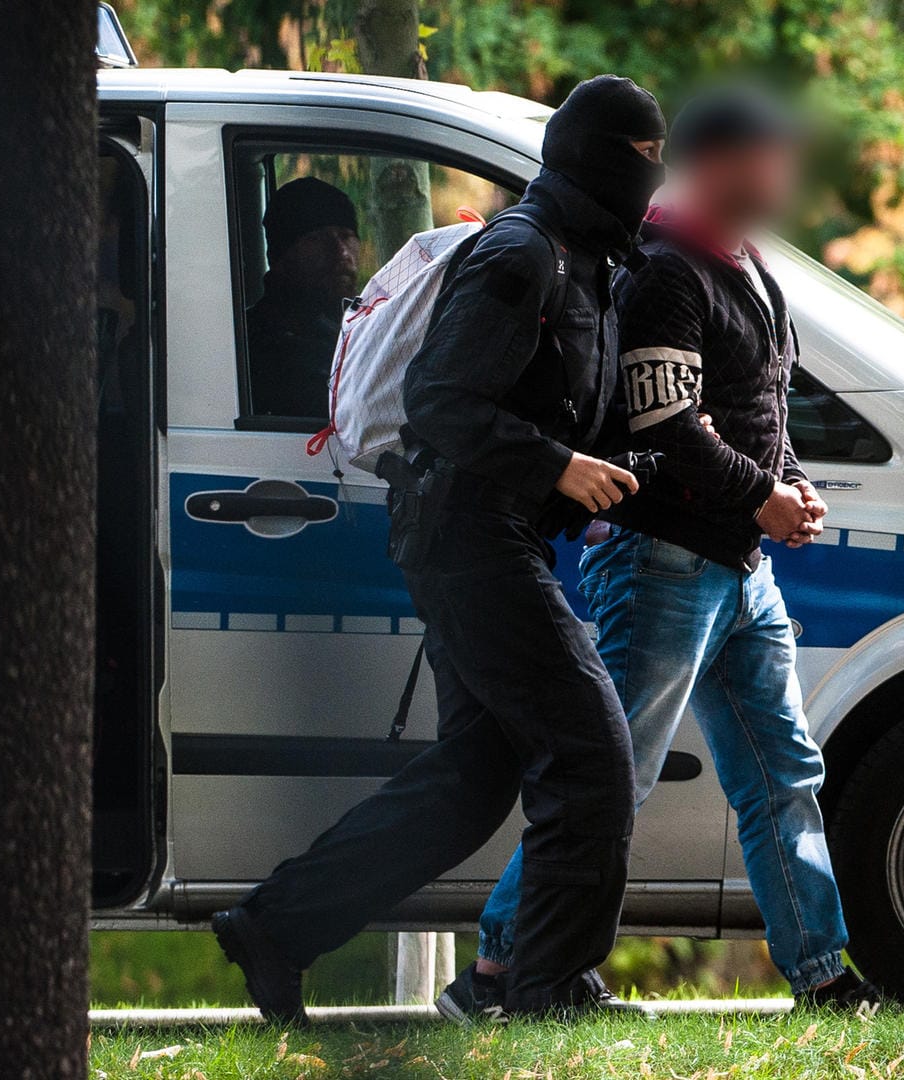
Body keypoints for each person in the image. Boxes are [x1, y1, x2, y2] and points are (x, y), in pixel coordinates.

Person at [210, 75, 669, 1022]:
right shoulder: (521, 255)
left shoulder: (587, 261)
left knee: (472, 782)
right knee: (591, 750)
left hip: (494, 536)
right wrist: (558, 468)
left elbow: (556, 403)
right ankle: (549, 987)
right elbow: (441, 404)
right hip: (468, 535)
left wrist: (607, 469)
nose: (653, 176)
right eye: (640, 156)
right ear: (593, 158)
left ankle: (274, 929)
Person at [434, 85, 879, 1023]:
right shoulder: (668, 267)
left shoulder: (749, 263)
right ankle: (499, 969)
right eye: (772, 157)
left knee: (782, 771)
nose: (786, 176)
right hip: (661, 562)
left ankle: (823, 972)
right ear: (721, 164)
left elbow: (764, 402)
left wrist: (789, 487)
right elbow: (666, 419)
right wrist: (761, 496)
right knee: (609, 775)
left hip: (740, 570)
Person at [246, 177, 361, 418]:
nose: (341, 252)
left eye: (346, 235)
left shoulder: (365, 324)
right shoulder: (256, 344)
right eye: (317, 238)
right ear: (280, 255)